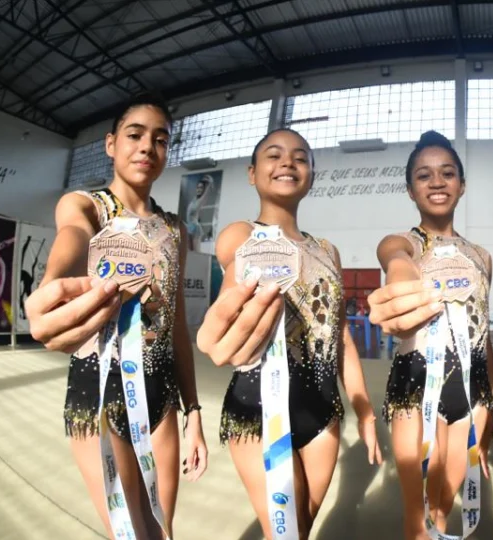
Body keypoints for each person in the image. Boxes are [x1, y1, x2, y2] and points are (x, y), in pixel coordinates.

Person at [25, 93, 208, 538]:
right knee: (132, 533)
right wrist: (54, 283)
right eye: (135, 135)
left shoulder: (175, 230)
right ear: (111, 144)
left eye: (160, 139)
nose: (147, 146)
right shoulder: (86, 206)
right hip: (99, 390)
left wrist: (195, 411)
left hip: (160, 391)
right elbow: (72, 237)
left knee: (163, 530)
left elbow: (177, 325)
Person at [197, 127, 381, 539]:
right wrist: (224, 323)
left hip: (323, 412)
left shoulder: (327, 250)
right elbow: (234, 280)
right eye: (274, 155)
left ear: (311, 175)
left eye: (300, 157)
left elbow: (341, 338)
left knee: (300, 527)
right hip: (259, 409)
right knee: (287, 531)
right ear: (252, 173)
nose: (287, 162)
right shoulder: (241, 234)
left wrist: (364, 408)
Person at [367, 131, 493, 539]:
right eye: (424, 175)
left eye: (447, 173)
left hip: (473, 394)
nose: (437, 182)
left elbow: (485, 335)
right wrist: (400, 272)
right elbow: (393, 254)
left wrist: (486, 411)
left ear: (462, 184)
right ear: (410, 189)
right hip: (416, 386)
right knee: (419, 517)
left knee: (444, 505)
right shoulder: (404, 242)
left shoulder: (482, 256)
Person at [185, 176, 211, 250]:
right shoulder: (194, 200)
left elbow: (206, 194)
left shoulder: (200, 201)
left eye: (201, 188)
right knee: (189, 252)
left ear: (204, 190)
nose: (199, 190)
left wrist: (208, 184)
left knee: (196, 252)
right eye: (198, 187)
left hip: (195, 228)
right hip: (189, 228)